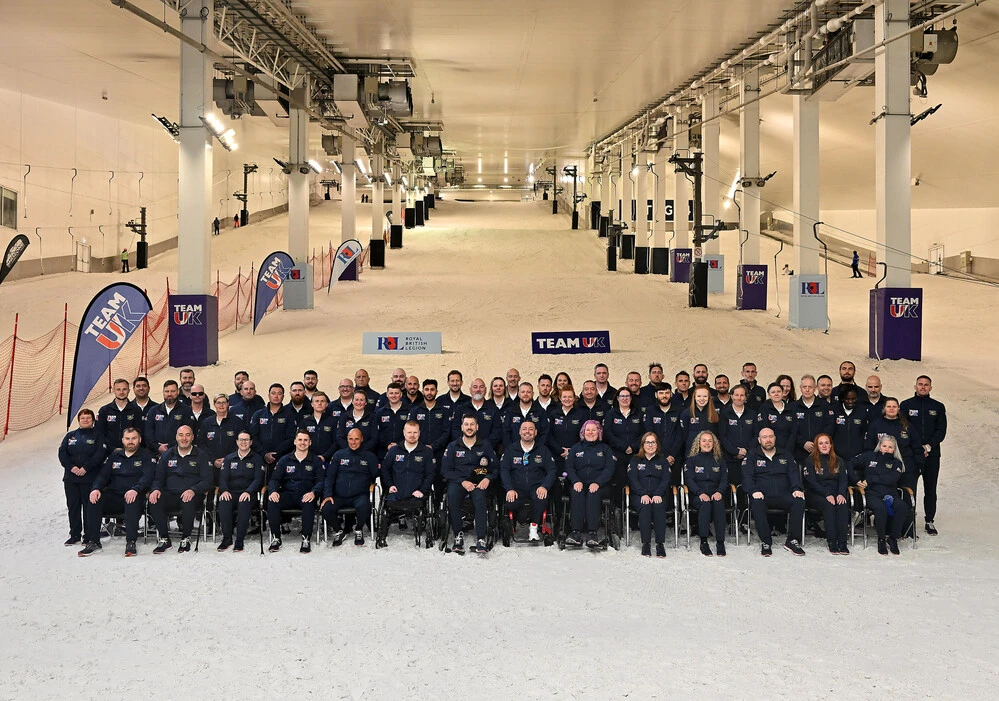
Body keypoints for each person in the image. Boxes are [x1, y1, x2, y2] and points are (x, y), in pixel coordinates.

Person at [80, 427, 155, 557]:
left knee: (131, 500)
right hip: (114, 495)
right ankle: (93, 541)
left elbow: (147, 477)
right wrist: (96, 488)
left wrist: (135, 489)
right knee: (94, 499)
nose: (130, 441)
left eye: (134, 438)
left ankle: (131, 541)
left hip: (136, 495)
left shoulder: (146, 455)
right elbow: (103, 476)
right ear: (122, 440)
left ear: (140, 439)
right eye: (127, 439)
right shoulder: (114, 455)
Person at [148, 424, 213, 554]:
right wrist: (155, 489)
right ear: (176, 437)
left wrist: (193, 490)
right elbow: (158, 478)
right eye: (181, 435)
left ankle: (186, 538)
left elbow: (207, 481)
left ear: (192, 437)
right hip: (171, 493)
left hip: (193, 495)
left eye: (187, 435)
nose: (184, 438)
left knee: (187, 500)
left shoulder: (201, 455)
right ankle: (164, 539)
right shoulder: (167, 455)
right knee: (155, 500)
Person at [742, 427, 806, 557]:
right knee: (757, 503)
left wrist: (796, 488)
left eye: (771, 436)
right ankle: (766, 541)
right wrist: (754, 491)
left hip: (783, 495)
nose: (768, 440)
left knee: (799, 501)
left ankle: (792, 540)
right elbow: (747, 477)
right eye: (764, 437)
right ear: (759, 440)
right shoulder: (752, 455)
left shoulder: (786, 454)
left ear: (775, 438)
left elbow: (793, 474)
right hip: (762, 495)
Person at [441, 414, 498, 554]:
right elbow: (445, 470)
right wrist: (462, 481)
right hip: (459, 482)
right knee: (452, 496)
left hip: (478, 482)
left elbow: (496, 467)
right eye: (466, 424)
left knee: (480, 498)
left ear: (477, 427)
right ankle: (458, 535)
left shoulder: (485, 445)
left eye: (472, 424)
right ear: (462, 427)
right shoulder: (453, 446)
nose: (469, 427)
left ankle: (481, 538)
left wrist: (488, 478)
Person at [900, 375, 947, 535]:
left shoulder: (938, 406)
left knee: (930, 488)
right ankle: (908, 522)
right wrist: (916, 448)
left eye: (926, 385)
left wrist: (928, 446)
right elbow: (903, 429)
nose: (923, 387)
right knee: (909, 488)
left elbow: (941, 430)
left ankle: (929, 521)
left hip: (931, 455)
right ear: (915, 386)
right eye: (920, 384)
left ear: (930, 388)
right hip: (912, 455)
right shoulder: (906, 405)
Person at [378, 421, 436, 547]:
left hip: (417, 494)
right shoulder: (394, 451)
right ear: (404, 433)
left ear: (419, 433)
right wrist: (390, 485)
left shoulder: (426, 452)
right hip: (396, 493)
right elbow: (385, 469)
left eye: (415, 432)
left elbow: (430, 474)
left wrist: (423, 490)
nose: (412, 435)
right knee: (386, 509)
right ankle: (382, 537)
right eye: (409, 432)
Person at [851, 435, 912, 555]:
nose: (886, 449)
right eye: (884, 446)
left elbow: (891, 479)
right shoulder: (869, 456)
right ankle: (881, 539)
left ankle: (893, 538)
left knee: (902, 507)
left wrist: (871, 479)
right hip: (871, 494)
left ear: (894, 449)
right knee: (880, 507)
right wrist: (855, 480)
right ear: (879, 446)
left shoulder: (897, 463)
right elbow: (849, 462)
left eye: (890, 447)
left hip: (890, 494)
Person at [267, 430, 324, 553]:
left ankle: (306, 538)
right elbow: (274, 479)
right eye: (300, 440)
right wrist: (273, 491)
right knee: (272, 502)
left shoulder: (316, 460)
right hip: (288, 494)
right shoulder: (284, 460)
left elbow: (321, 481)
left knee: (309, 503)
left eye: (305, 440)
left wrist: (314, 492)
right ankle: (276, 538)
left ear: (310, 442)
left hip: (306, 494)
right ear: (295, 442)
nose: (302, 443)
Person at [58, 409, 108, 548]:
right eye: (83, 418)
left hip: (89, 478)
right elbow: (62, 453)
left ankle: (88, 536)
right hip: (71, 478)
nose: (85, 420)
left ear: (93, 420)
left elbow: (100, 454)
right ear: (78, 420)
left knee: (88, 508)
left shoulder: (99, 436)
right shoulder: (71, 436)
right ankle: (74, 535)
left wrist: (86, 468)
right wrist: (71, 467)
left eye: (88, 418)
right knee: (73, 507)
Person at [321, 428, 379, 547]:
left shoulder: (370, 456)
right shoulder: (339, 455)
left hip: (359, 496)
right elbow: (330, 477)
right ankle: (339, 531)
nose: (353, 442)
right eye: (351, 439)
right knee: (326, 508)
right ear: (347, 439)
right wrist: (328, 495)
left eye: (356, 439)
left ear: (362, 439)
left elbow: (376, 476)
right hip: (339, 495)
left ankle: (358, 529)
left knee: (364, 507)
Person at [501, 421, 556, 542]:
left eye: (531, 429)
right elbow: (504, 470)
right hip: (516, 489)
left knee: (541, 499)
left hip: (536, 488)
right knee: (510, 503)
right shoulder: (510, 450)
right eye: (524, 429)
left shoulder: (543, 450)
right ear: (519, 432)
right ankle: (518, 521)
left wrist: (545, 486)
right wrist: (509, 489)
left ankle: (534, 528)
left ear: (535, 432)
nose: (527, 431)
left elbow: (552, 470)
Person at [564, 420, 615, 548]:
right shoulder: (575, 448)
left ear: (599, 432)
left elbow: (609, 469)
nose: (590, 432)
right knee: (577, 492)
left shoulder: (605, 449)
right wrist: (575, 480)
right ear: (583, 432)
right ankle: (575, 532)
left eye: (594, 430)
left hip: (600, 485)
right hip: (579, 483)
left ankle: (592, 532)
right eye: (588, 430)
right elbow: (569, 467)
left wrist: (598, 482)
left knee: (593, 493)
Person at [802, 433, 850, 554]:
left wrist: (841, 494)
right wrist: (826, 494)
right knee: (828, 505)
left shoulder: (839, 460)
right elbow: (811, 482)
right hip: (815, 494)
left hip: (835, 493)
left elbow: (843, 480)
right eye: (820, 443)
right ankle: (832, 542)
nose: (824, 446)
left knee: (842, 504)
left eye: (826, 443)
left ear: (831, 445)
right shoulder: (810, 461)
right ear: (816, 446)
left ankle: (842, 542)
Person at [216, 431, 264, 552]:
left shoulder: (257, 458)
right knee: (224, 503)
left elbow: (258, 479)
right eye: (241, 440)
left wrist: (248, 491)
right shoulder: (229, 458)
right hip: (231, 492)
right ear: (237, 441)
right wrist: (224, 490)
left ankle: (239, 540)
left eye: (246, 440)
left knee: (244, 505)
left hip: (249, 493)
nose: (243, 442)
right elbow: (223, 478)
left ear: (251, 442)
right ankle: (227, 538)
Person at [684, 431, 728, 557]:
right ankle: (704, 541)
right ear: (698, 443)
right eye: (704, 440)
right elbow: (689, 480)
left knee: (718, 503)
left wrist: (719, 492)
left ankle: (720, 542)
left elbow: (724, 480)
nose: (707, 443)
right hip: (698, 495)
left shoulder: (720, 460)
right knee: (705, 503)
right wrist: (700, 493)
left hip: (715, 493)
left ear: (714, 444)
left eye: (710, 441)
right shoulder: (691, 460)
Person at [628, 432, 671, 558]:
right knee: (645, 506)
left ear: (657, 445)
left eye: (653, 442)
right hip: (639, 495)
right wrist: (643, 494)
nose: (650, 445)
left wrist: (658, 493)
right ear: (643, 445)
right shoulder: (635, 460)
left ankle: (660, 543)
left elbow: (666, 480)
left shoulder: (663, 460)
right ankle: (646, 543)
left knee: (658, 506)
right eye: (648, 442)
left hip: (659, 494)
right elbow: (633, 480)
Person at [865, 397, 921, 492]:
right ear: (884, 408)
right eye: (889, 406)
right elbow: (869, 447)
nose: (891, 409)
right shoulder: (876, 425)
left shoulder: (907, 425)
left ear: (898, 408)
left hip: (906, 468)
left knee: (908, 495)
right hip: (883, 469)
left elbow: (917, 447)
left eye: (894, 407)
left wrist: (919, 466)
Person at [718, 385, 755, 524]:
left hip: (748, 458)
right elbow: (722, 436)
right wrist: (735, 451)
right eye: (736, 395)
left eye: (742, 395)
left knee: (745, 489)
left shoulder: (752, 414)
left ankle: (744, 521)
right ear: (731, 396)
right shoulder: (724, 413)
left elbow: (756, 435)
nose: (739, 398)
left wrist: (746, 451)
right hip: (730, 458)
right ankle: (730, 522)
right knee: (730, 488)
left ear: (746, 397)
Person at [602, 387, 645, 496]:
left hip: (636, 454)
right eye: (622, 396)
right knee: (619, 483)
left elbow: (644, 433)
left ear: (631, 398)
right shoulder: (611, 414)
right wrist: (623, 446)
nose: (625, 399)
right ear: (617, 398)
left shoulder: (639, 414)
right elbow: (607, 433)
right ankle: (618, 504)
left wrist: (633, 446)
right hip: (618, 454)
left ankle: (634, 503)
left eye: (627, 396)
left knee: (636, 482)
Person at [642, 382, 684, 484]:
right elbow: (650, 433)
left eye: (667, 393)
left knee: (675, 485)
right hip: (656, 455)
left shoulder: (679, 410)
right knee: (658, 485)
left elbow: (680, 435)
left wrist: (672, 455)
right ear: (656, 395)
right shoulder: (650, 410)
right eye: (661, 393)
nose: (664, 396)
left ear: (671, 394)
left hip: (675, 456)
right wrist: (664, 455)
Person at [249, 383, 297, 468]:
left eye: (279, 393)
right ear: (269, 395)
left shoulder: (290, 415)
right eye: (273, 393)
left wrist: (276, 453)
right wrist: (264, 453)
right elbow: (253, 436)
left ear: (283, 396)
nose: (276, 396)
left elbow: (291, 438)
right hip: (260, 457)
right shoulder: (258, 414)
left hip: (282, 458)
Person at [144, 380, 197, 455]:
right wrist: (157, 447)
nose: (169, 394)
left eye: (173, 391)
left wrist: (169, 447)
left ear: (178, 392)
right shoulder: (154, 410)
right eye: (167, 391)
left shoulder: (186, 410)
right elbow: (148, 433)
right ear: (163, 393)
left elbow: (189, 433)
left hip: (177, 454)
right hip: (155, 453)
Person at [409, 379, 453, 464]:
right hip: (418, 451)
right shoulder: (415, 411)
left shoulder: (444, 411)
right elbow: (411, 431)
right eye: (427, 389)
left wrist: (433, 446)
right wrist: (421, 446)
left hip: (439, 453)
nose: (429, 392)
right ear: (422, 391)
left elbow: (446, 432)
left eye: (432, 389)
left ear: (436, 391)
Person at [793, 375, 834, 464]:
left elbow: (829, 427)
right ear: (800, 388)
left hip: (821, 452)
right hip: (799, 452)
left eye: (810, 387)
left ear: (815, 388)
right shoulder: (793, 407)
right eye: (804, 387)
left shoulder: (825, 406)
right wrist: (803, 443)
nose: (807, 390)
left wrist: (817, 443)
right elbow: (791, 429)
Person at [500, 382, 550, 451]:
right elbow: (505, 433)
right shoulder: (510, 411)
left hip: (536, 452)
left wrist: (538, 449)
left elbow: (545, 433)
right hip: (514, 452)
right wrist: (511, 450)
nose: (525, 394)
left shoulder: (541, 412)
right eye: (523, 392)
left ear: (533, 394)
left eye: (528, 392)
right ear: (518, 394)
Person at [754, 382, 797, 456]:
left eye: (779, 391)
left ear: (783, 393)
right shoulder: (764, 408)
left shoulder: (791, 409)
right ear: (769, 395)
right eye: (773, 392)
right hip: (771, 450)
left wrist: (788, 449)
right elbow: (765, 429)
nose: (776, 394)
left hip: (789, 450)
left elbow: (794, 431)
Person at [97, 379, 139, 449]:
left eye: (124, 389)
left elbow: (139, 432)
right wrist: (111, 449)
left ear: (129, 390)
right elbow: (99, 433)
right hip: (108, 451)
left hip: (130, 450)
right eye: (118, 389)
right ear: (114, 391)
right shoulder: (104, 410)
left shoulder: (136, 410)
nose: (121, 392)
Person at [831, 386, 869, 460]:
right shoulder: (834, 410)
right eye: (847, 399)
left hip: (857, 456)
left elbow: (865, 432)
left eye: (853, 399)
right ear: (842, 398)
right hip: (837, 456)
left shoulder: (862, 411)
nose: (850, 401)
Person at [679, 386, 720, 455]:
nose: (702, 399)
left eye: (705, 396)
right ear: (694, 397)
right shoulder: (686, 413)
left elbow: (717, 433)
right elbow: (684, 435)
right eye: (699, 396)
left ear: (709, 397)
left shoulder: (714, 413)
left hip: (711, 452)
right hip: (692, 451)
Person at [299, 392, 339, 463]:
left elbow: (336, 442)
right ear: (312, 404)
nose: (319, 403)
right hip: (308, 460)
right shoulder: (305, 422)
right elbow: (301, 441)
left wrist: (325, 456)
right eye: (317, 401)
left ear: (327, 404)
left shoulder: (334, 422)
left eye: (322, 401)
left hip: (327, 460)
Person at [375, 382, 410, 460]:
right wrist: (387, 445)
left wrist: (399, 444)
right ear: (387, 394)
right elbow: (377, 432)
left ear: (401, 394)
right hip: (384, 451)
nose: (394, 396)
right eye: (391, 393)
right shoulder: (380, 413)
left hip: (404, 450)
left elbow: (411, 431)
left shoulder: (409, 411)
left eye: (396, 393)